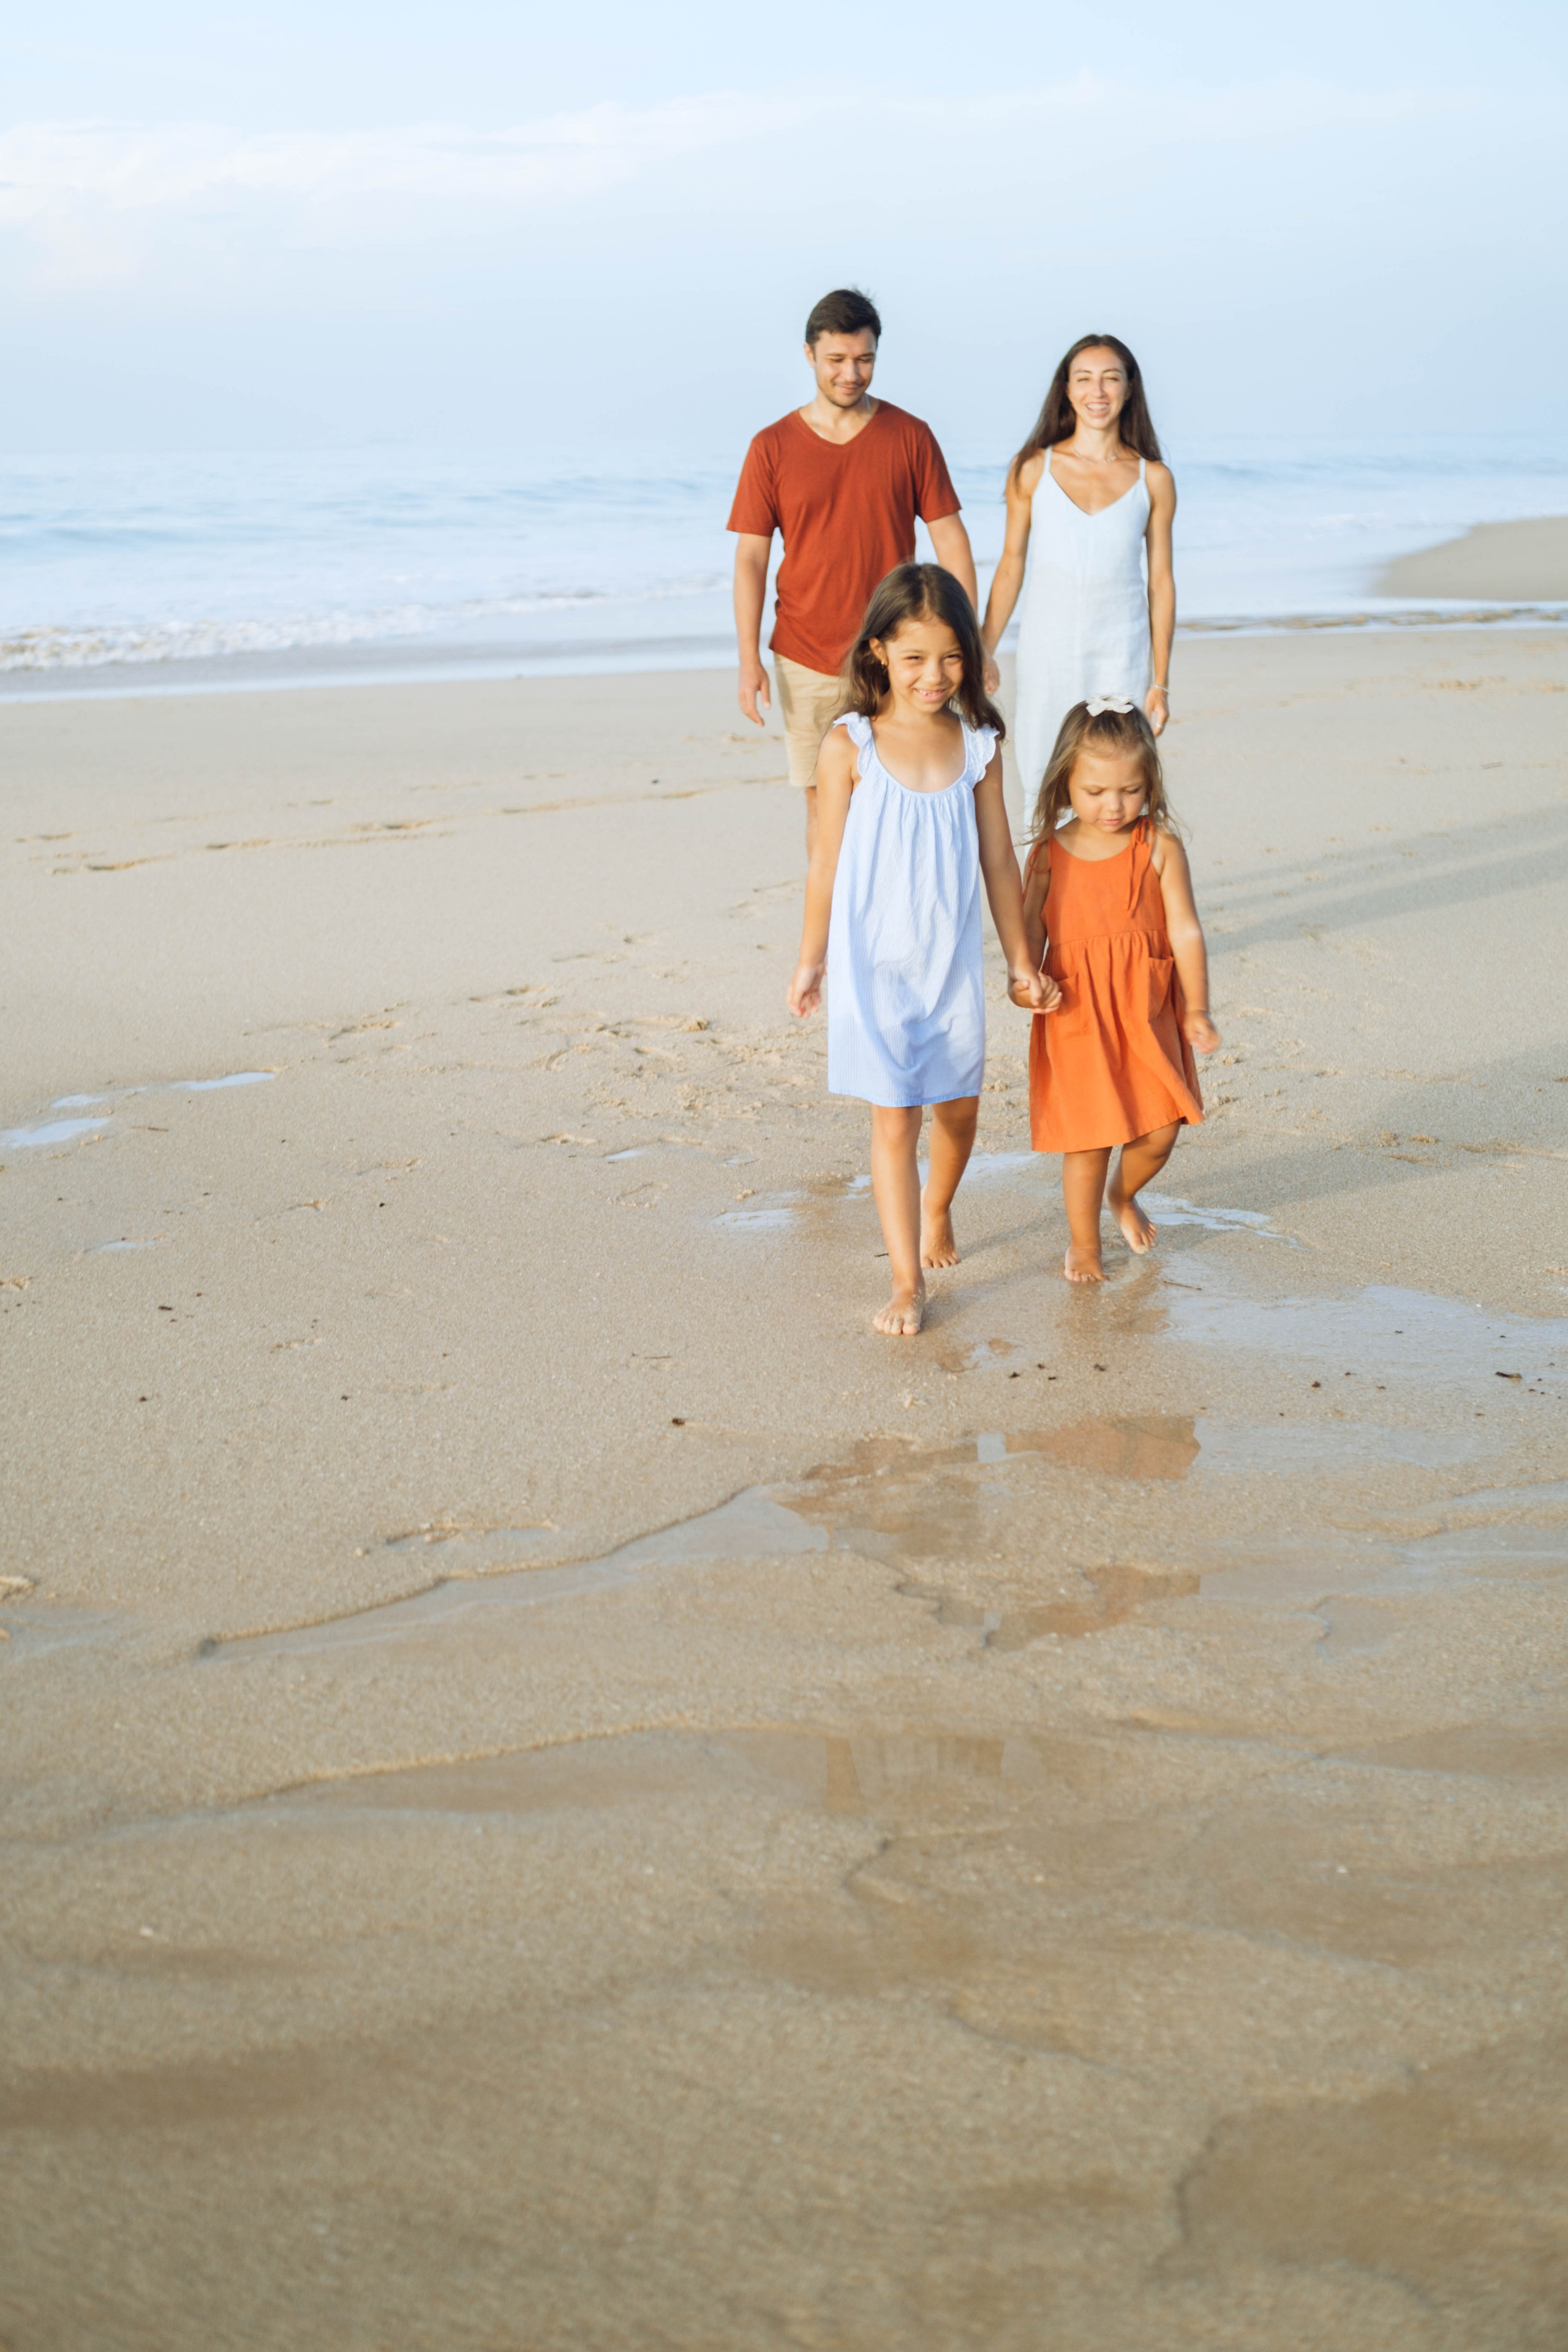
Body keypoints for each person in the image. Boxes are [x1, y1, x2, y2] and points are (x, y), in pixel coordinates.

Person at [788, 564, 1058, 1336]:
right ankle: (906, 1282)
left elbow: (1000, 860)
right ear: (877, 653)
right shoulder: (851, 745)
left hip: (948, 966)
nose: (934, 677)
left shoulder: (977, 745)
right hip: (871, 966)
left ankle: (938, 1205)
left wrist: (1019, 959)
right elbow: (825, 863)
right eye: (913, 659)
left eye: (950, 658)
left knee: (961, 1112)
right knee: (894, 1119)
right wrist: (810, 960)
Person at [729, 287, 984, 850]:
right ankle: (833, 937)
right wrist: (749, 658)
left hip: (898, 655)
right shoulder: (770, 447)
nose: (851, 373)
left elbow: (952, 542)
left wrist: (970, 642)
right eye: (837, 360)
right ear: (809, 356)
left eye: (864, 359)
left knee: (901, 795)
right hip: (805, 652)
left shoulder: (910, 436)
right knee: (826, 805)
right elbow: (751, 558)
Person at [1016, 696, 1218, 1285]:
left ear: (1149, 782)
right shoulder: (1049, 856)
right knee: (1088, 1140)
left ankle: (1122, 1194)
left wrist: (1198, 1006)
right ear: (1064, 784)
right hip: (1078, 1009)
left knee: (1160, 1131)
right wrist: (1024, 984)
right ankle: (1083, 1243)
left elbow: (1185, 927)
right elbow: (1028, 933)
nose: (1114, 806)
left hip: (1145, 1006)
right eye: (1096, 792)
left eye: (1130, 790)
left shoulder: (1157, 847)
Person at [982, 335, 1176, 813]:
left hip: (1122, 653)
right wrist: (982, 649)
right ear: (1066, 390)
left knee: (1119, 787)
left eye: (1112, 378)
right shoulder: (1032, 469)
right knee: (1042, 782)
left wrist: (1161, 680)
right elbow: (1011, 565)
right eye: (1084, 379)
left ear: (1130, 389)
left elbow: (1161, 582)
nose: (1098, 391)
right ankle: (1041, 888)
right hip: (1047, 654)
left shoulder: (1154, 478)